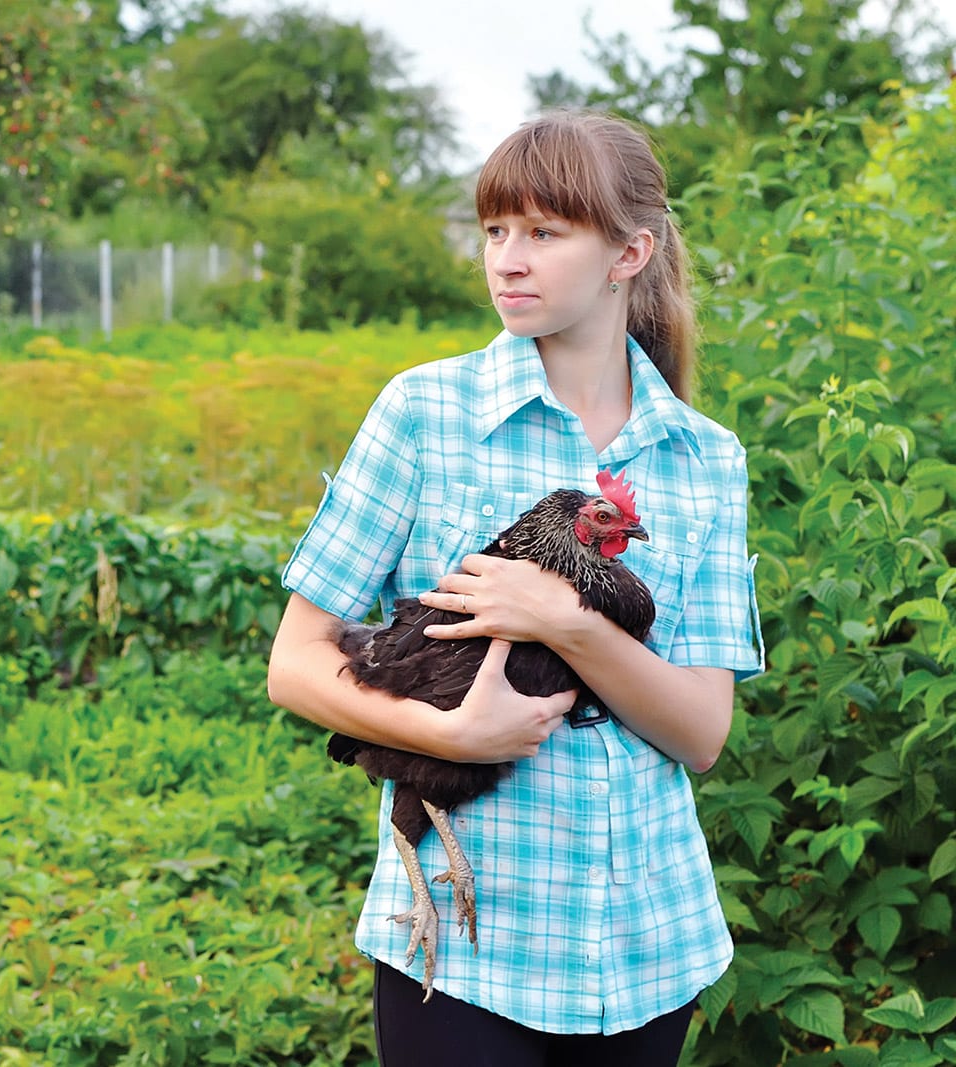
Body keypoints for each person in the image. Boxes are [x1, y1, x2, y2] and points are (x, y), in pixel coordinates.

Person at [266, 110, 765, 1065]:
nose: (509, 259)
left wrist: (561, 620)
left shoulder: (706, 458)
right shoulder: (424, 413)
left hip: (646, 942)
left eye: (544, 232)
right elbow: (295, 663)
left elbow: (701, 733)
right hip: (462, 943)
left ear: (630, 252)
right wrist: (453, 734)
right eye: (495, 230)